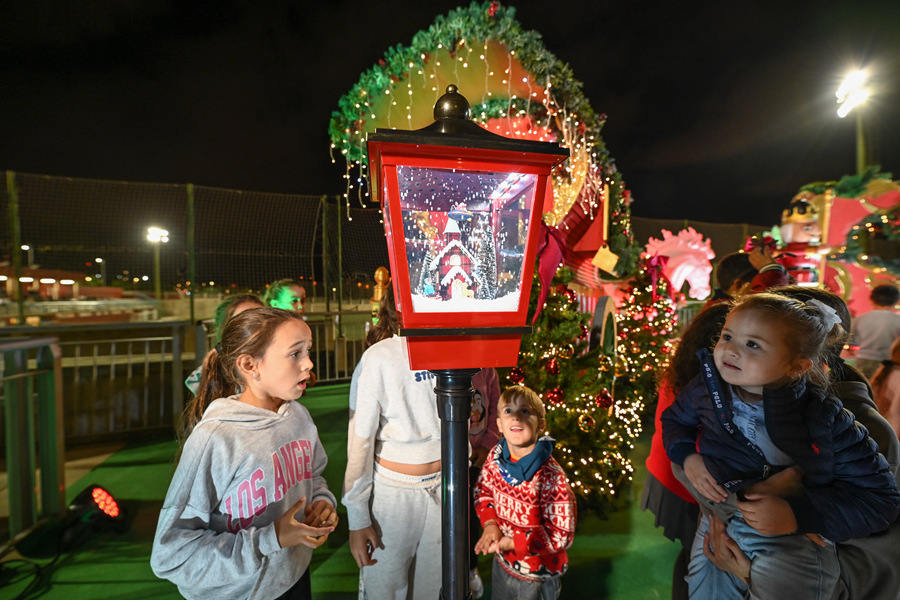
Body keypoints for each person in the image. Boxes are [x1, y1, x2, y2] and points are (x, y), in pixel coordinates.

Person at [662, 292, 900, 600]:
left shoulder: (845, 425)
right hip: (722, 542)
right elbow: (681, 433)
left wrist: (795, 516)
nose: (732, 350)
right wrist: (690, 461)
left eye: (755, 343)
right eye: (729, 336)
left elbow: (874, 562)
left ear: (799, 363)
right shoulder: (726, 390)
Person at [151, 307, 337, 600]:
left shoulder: (299, 417)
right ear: (251, 365)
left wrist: (323, 502)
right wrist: (270, 539)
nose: (309, 363)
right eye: (295, 353)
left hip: (293, 577)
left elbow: (314, 476)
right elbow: (172, 554)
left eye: (308, 350)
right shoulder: (216, 438)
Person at [342, 285, 443, 600]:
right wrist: (357, 519)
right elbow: (360, 442)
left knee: (435, 588)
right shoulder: (379, 357)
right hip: (394, 496)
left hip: (445, 489)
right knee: (384, 588)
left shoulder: (453, 348)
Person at [642, 302, 730, 600]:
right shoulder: (706, 380)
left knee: (695, 551)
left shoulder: (684, 364)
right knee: (701, 555)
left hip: (672, 473)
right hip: (687, 481)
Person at [474, 385, 576, 600]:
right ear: (499, 425)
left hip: (537, 573)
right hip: (503, 562)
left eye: (525, 411)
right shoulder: (495, 457)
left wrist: (515, 543)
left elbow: (561, 534)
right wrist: (490, 524)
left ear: (541, 425)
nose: (516, 418)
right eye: (508, 411)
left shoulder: (550, 475)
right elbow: (483, 491)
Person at [185, 294, 264, 395]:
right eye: (245, 320)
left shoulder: (278, 361)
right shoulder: (211, 374)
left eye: (262, 318)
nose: (258, 325)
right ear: (225, 327)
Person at [468, 367, 501, 599]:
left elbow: (496, 414)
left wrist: (486, 445)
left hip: (477, 460)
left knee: (471, 516)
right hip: (447, 458)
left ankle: (469, 567)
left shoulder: (488, 371)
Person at [704, 246, 789, 309]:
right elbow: (769, 306)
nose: (761, 292)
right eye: (758, 286)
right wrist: (772, 273)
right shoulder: (726, 313)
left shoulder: (717, 308)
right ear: (739, 285)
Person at [850, 284, 900, 379]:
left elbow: (850, 339)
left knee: (864, 388)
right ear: (896, 302)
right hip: (889, 362)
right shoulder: (898, 320)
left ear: (871, 300)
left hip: (863, 359)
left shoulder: (860, 319)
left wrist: (854, 348)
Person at [871, 336, 900, 439]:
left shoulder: (890, 372)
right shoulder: (897, 378)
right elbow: (896, 416)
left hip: (881, 433)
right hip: (891, 437)